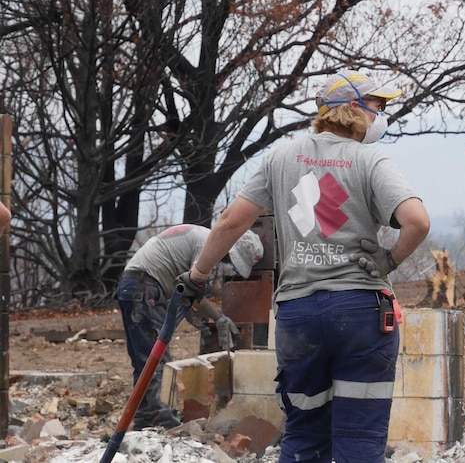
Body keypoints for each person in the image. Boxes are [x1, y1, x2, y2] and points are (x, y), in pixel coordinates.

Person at [177, 70, 430, 462]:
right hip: (360, 313)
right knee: (359, 436)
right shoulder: (370, 159)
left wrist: (196, 276)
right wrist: (389, 259)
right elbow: (418, 221)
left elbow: (230, 222)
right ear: (352, 109)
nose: (383, 115)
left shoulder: (280, 156)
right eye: (379, 106)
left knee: (305, 434)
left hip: (298, 316)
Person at [116, 224, 263, 429]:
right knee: (157, 360)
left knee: (144, 359)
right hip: (144, 287)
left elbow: (188, 289)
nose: (226, 262)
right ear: (230, 246)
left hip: (135, 285)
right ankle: (165, 420)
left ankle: (145, 418)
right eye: (230, 258)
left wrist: (193, 312)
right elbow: (194, 288)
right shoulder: (207, 245)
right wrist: (218, 318)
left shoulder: (203, 237)